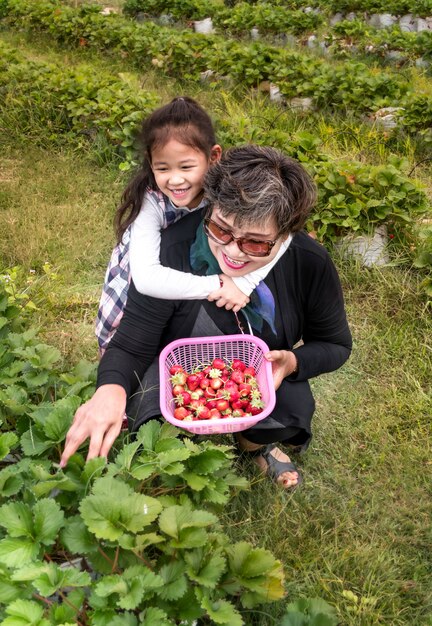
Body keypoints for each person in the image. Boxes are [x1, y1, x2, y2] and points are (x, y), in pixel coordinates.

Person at [62, 145, 352, 490]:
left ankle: (253, 443)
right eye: (221, 229)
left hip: (252, 373)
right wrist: (109, 390)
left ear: (285, 235)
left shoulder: (309, 262)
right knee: (149, 412)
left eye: (256, 244)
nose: (232, 251)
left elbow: (335, 344)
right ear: (209, 206)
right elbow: (130, 345)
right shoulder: (168, 251)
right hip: (176, 373)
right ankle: (180, 453)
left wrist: (291, 362)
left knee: (291, 405)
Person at [96, 97, 290, 352]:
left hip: (185, 280)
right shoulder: (151, 201)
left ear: (214, 156)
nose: (175, 180)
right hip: (146, 283)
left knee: (171, 345)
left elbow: (286, 235)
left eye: (186, 167)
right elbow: (146, 279)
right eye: (163, 168)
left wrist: (245, 283)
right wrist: (220, 285)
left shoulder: (225, 190)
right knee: (125, 345)